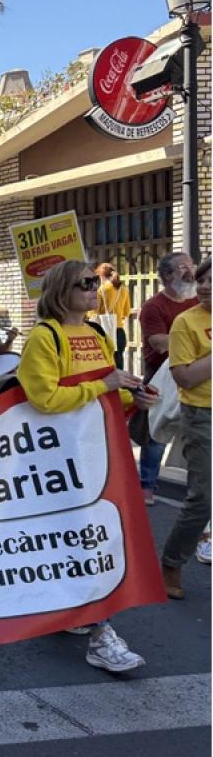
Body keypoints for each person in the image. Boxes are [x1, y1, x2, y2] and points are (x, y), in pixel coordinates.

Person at [17, 260, 154, 672]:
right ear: (61, 291)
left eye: (95, 283)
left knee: (90, 537)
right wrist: (105, 386)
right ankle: (100, 633)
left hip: (98, 451)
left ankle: (79, 610)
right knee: (87, 540)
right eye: (85, 283)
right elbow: (43, 398)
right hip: (58, 459)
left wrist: (134, 398)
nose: (95, 289)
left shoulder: (95, 332)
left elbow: (105, 390)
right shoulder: (45, 337)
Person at [159, 257, 211, 599]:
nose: (205, 286)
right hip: (202, 415)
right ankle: (172, 562)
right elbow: (186, 377)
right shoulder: (185, 322)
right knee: (203, 499)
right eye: (203, 280)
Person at [137, 252, 198, 505]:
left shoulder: (200, 303)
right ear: (167, 275)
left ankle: (199, 489)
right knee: (156, 432)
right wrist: (194, 339)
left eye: (191, 266)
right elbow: (159, 343)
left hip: (196, 372)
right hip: (161, 375)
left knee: (198, 430)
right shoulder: (154, 307)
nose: (190, 271)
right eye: (183, 267)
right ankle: (146, 488)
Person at [91, 263, 132, 369]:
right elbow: (126, 312)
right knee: (118, 363)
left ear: (102, 276)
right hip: (119, 332)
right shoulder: (124, 290)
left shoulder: (101, 290)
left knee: (105, 363)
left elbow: (93, 312)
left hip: (104, 331)